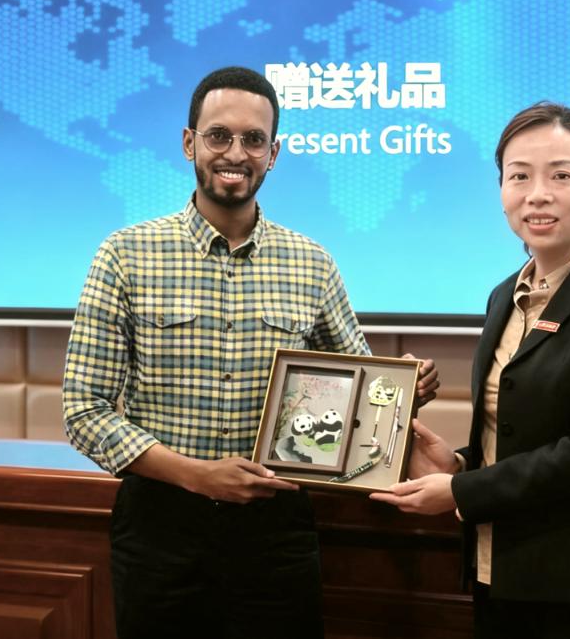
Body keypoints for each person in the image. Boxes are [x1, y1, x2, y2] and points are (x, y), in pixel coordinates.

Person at [63, 66, 439, 639]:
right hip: (160, 529)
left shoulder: (312, 263)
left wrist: (406, 387)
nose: (235, 153)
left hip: (275, 532)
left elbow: (360, 393)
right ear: (189, 143)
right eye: (219, 136)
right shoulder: (125, 255)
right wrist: (197, 477)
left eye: (254, 140)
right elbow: (84, 410)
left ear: (273, 153)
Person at [371, 102, 570, 638]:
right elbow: (522, 432)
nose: (537, 194)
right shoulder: (504, 295)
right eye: (519, 176)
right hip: (502, 575)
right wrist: (460, 463)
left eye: (561, 175)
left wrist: (463, 492)